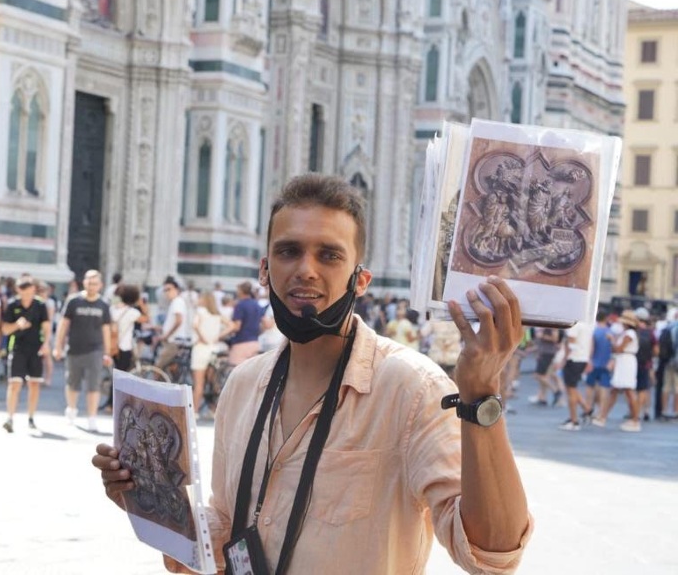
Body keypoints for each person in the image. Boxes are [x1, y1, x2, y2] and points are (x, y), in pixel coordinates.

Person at [93, 174, 530, 573]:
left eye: (329, 255)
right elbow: (226, 525)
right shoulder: (244, 385)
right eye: (288, 251)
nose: (306, 269)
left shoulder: (412, 389)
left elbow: (494, 554)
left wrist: (479, 397)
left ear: (360, 280)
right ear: (265, 269)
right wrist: (148, 499)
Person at [53, 269, 112, 432]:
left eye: (95, 283)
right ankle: (71, 410)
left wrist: (107, 352)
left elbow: (106, 329)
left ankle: (92, 417)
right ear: (84, 282)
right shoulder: (74, 301)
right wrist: (57, 346)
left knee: (94, 385)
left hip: (96, 350)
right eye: (89, 282)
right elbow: (63, 325)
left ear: (100, 285)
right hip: (74, 349)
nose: (92, 285)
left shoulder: (104, 304)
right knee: (72, 383)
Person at [1, 276, 50, 432]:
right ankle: (10, 418)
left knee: (34, 384)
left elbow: (47, 327)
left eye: (29, 290)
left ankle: (31, 417)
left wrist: (46, 344)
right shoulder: (12, 305)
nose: (26, 294)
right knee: (14, 383)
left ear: (33, 290)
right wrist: (17, 325)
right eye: (23, 290)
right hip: (17, 348)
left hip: (35, 348)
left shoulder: (40, 305)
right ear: (18, 290)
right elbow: (5, 329)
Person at [100, 284, 150, 411]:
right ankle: (113, 404)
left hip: (112, 347)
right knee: (121, 377)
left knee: (115, 376)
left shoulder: (111, 309)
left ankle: (111, 403)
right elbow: (146, 318)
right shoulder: (131, 312)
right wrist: (141, 303)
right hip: (125, 347)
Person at [593, 310, 641, 432]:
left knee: (628, 391)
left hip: (626, 362)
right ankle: (603, 416)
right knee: (615, 390)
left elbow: (619, 349)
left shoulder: (629, 334)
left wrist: (612, 340)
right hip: (624, 361)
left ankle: (635, 420)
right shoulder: (628, 333)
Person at [191, 291, 223, 417]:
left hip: (200, 349)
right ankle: (216, 410)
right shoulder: (217, 315)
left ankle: (195, 411)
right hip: (214, 349)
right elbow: (232, 325)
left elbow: (195, 325)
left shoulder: (200, 311)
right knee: (214, 382)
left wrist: (202, 337)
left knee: (199, 383)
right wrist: (217, 337)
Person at [558, 320, 593, 431]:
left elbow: (571, 344)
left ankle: (574, 420)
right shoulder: (587, 325)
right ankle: (586, 408)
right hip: (582, 359)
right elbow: (591, 344)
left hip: (573, 359)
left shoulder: (575, 326)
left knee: (571, 390)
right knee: (572, 388)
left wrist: (563, 360)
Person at [220, 281, 262, 366]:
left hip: (241, 343)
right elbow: (263, 324)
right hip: (255, 342)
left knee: (235, 372)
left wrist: (221, 335)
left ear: (241, 291)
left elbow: (236, 326)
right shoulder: (257, 304)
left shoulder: (240, 305)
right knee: (251, 373)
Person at [154, 276, 191, 371]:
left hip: (173, 341)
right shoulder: (175, 302)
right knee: (170, 369)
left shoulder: (177, 302)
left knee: (158, 368)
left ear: (176, 289)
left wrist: (166, 335)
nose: (167, 292)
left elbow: (179, 321)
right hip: (174, 340)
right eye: (165, 290)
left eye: (169, 289)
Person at [585, 309, 614, 419]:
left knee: (590, 387)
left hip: (594, 363)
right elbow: (613, 348)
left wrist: (588, 360)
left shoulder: (594, 331)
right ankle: (601, 413)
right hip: (606, 363)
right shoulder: (610, 332)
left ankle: (588, 409)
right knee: (604, 389)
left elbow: (591, 349)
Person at [633, 307, 656, 422]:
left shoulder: (634, 331)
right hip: (647, 363)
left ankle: (634, 411)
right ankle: (645, 410)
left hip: (633, 363)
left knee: (634, 389)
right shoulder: (651, 332)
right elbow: (656, 350)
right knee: (646, 388)